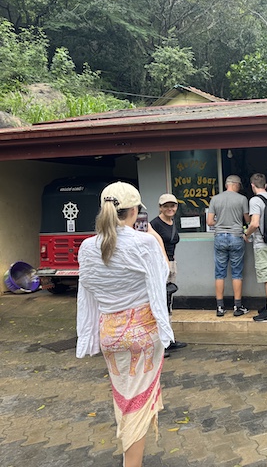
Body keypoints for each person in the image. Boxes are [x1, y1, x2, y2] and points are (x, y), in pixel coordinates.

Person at [76, 181, 174, 467]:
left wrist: (87, 336)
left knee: (124, 398)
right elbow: (162, 276)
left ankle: (130, 456)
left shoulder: (87, 247)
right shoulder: (144, 243)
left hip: (109, 332)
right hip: (143, 331)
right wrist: (156, 240)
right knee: (136, 404)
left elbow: (86, 290)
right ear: (134, 211)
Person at [206, 175, 250, 317]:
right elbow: (247, 219)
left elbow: (209, 221)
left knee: (220, 273)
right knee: (236, 273)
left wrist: (220, 223)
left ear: (226, 185)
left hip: (220, 237)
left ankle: (220, 307)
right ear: (236, 184)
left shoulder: (215, 199)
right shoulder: (242, 199)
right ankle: (237, 306)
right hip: (236, 236)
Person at [150, 193, 187, 353]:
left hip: (171, 265)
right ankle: (160, 343)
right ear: (160, 207)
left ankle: (168, 339)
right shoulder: (154, 224)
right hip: (160, 267)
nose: (170, 209)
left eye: (173, 205)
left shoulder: (172, 222)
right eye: (166, 206)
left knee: (168, 302)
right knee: (161, 303)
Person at [244, 173, 267, 321]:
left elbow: (254, 223)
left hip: (262, 243)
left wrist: (246, 234)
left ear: (252, 186)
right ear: (265, 185)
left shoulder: (255, 200)